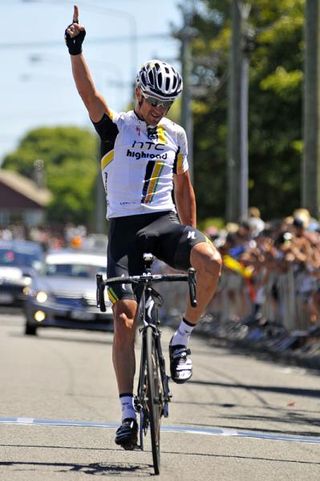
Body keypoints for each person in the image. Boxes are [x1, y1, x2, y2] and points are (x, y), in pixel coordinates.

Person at [65, 5, 222, 450]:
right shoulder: (117, 128)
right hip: (124, 230)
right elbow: (88, 95)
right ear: (138, 94)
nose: (156, 109)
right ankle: (128, 413)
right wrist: (76, 49)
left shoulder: (175, 135)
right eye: (151, 101)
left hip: (165, 222)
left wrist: (192, 243)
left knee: (212, 260)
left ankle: (182, 340)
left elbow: (185, 188)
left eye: (164, 104)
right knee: (125, 317)